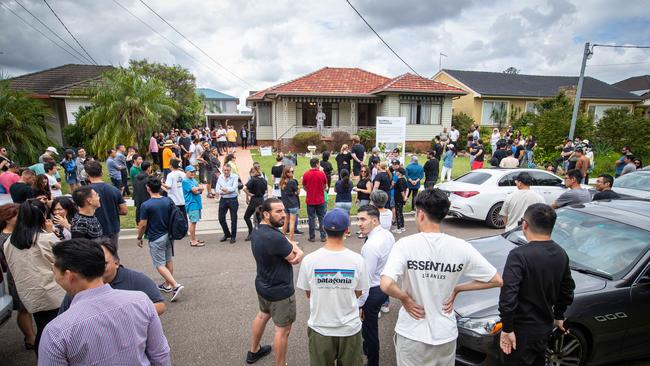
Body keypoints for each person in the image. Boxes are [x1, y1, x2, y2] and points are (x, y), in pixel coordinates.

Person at [380, 188, 503, 366]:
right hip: (445, 333)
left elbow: (386, 284)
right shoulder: (461, 246)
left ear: (420, 214)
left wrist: (404, 297)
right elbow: (496, 280)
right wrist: (458, 288)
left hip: (412, 333)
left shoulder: (405, 245)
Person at [38, 238, 171, 364]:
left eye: (54, 271)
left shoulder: (56, 332)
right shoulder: (141, 301)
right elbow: (160, 354)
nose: (54, 276)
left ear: (69, 276)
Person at [499, 204, 575, 365]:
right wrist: (559, 316)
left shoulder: (519, 255)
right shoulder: (561, 254)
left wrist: (507, 328)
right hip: (543, 328)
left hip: (521, 331)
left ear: (525, 224)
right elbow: (567, 290)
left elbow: (508, 295)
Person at [297, 209, 369, 366]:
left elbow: (308, 294)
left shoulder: (310, 260)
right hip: (349, 328)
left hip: (320, 327)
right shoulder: (358, 260)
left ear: (323, 228)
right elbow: (358, 292)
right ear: (347, 230)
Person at [3, 199, 65, 354]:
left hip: (30, 293)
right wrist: (51, 233)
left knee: (42, 328)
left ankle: (43, 358)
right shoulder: (45, 239)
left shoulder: (9, 242)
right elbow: (64, 261)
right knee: (57, 331)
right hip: (53, 293)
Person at [248, 198, 304, 365]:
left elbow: (283, 239)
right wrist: (299, 250)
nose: (283, 215)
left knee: (263, 315)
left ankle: (254, 351)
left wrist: (288, 242)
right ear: (266, 214)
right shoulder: (274, 237)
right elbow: (294, 258)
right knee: (283, 330)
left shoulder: (258, 228)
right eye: (278, 211)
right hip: (280, 292)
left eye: (283, 210)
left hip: (263, 285)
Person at [57, 239, 166, 315]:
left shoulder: (137, 279)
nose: (98, 267)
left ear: (117, 262)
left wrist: (131, 314)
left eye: (104, 263)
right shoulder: (80, 285)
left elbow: (160, 305)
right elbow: (63, 316)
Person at [356, 205, 395, 366]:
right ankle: (367, 350)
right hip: (384, 286)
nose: (359, 223)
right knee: (369, 328)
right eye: (357, 219)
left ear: (374, 220)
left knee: (370, 330)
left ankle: (372, 362)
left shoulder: (370, 246)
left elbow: (366, 280)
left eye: (363, 219)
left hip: (373, 291)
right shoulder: (387, 234)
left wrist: (359, 304)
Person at [138, 177, 184, 301]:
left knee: (159, 264)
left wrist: (139, 237)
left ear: (148, 188)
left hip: (156, 237)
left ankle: (174, 285)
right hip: (169, 235)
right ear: (160, 187)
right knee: (168, 260)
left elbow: (142, 224)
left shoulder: (146, 205)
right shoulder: (168, 201)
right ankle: (167, 284)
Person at [0, 203, 37, 351]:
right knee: (24, 308)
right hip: (16, 275)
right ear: (7, 218)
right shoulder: (3, 236)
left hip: (33, 271)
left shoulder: (25, 231)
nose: (20, 218)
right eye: (16, 215)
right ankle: (30, 337)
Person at [85, 160, 127, 250]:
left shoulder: (84, 192)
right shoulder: (114, 189)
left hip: (93, 231)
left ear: (87, 175)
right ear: (102, 172)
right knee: (112, 255)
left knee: (97, 256)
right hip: (112, 228)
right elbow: (124, 210)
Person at [302, 158, 328, 243]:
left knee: (311, 219)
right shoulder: (322, 174)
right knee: (322, 218)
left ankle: (312, 237)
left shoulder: (306, 174)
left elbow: (304, 186)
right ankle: (323, 236)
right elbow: (325, 186)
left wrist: (309, 190)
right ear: (317, 164)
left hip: (310, 199)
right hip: (320, 199)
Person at [216, 164, 239, 244]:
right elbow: (217, 189)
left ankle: (233, 236)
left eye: (228, 170)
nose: (226, 172)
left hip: (233, 199)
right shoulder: (220, 177)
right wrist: (225, 191)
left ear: (230, 170)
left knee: (233, 219)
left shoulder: (235, 176)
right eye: (225, 170)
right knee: (221, 218)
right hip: (223, 200)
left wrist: (224, 190)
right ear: (223, 170)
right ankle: (227, 234)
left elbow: (233, 188)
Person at [244, 166, 268, 242]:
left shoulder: (253, 180)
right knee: (260, 218)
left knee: (246, 217)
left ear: (254, 172)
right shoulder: (264, 180)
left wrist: (249, 194)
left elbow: (244, 188)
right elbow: (265, 190)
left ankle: (251, 232)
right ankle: (262, 234)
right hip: (261, 199)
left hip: (254, 200)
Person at [183, 166, 204, 247]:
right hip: (191, 204)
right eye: (191, 172)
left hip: (197, 203)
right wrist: (199, 188)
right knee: (193, 222)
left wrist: (199, 189)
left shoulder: (194, 180)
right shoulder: (185, 181)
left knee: (195, 222)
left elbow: (199, 190)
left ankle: (194, 238)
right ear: (186, 172)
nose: (193, 173)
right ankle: (193, 241)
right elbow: (195, 190)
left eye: (194, 172)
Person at [279, 166, 299, 242]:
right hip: (293, 204)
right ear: (287, 173)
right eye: (291, 172)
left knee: (286, 221)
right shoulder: (292, 181)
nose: (293, 173)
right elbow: (297, 192)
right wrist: (296, 190)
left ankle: (283, 238)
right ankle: (291, 240)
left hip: (285, 204)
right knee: (292, 222)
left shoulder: (282, 181)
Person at [335, 169, 354, 235]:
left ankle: (341, 230)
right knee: (348, 215)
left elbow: (335, 190)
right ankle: (348, 230)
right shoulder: (350, 182)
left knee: (340, 216)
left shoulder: (338, 183)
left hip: (339, 201)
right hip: (348, 201)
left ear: (340, 175)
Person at [392, 167, 408, 234]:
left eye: (397, 171)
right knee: (400, 213)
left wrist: (404, 197)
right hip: (401, 199)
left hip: (398, 198)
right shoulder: (404, 179)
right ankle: (402, 227)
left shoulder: (399, 180)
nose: (396, 172)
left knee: (398, 213)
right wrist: (405, 197)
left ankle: (398, 228)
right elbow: (407, 188)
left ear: (399, 173)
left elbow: (401, 190)